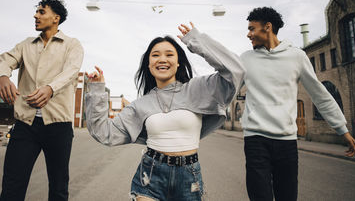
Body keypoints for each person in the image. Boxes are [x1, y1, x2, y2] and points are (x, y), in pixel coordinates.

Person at [85, 22, 245, 201]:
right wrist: (97, 90)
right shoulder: (141, 105)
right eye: (155, 55)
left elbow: (235, 71)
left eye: (169, 55)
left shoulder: (198, 89)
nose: (162, 59)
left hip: (189, 177)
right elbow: (103, 132)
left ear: (178, 63)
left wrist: (196, 40)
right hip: (150, 176)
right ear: (149, 64)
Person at [240, 7, 355, 201]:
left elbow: (319, 94)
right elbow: (225, 86)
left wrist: (342, 129)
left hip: (286, 142)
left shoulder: (297, 56)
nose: (249, 34)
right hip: (255, 139)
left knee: (287, 196)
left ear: (267, 27)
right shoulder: (246, 59)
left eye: (252, 28)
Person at [0, 0, 84, 201]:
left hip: (59, 125)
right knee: (12, 187)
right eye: (37, 11)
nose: (36, 15)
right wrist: (3, 76)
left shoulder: (72, 45)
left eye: (41, 12)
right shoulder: (26, 45)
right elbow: (4, 61)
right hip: (25, 125)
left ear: (56, 18)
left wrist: (50, 88)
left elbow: (71, 72)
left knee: (59, 188)